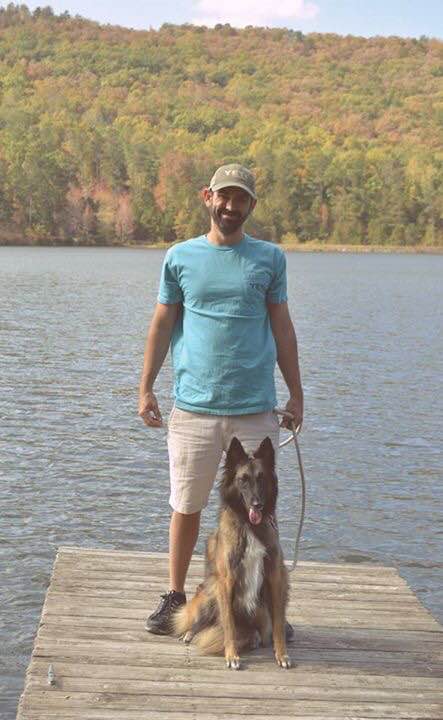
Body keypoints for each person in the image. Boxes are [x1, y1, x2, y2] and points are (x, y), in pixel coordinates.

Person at [139, 163, 303, 636]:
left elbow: (282, 327)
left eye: (241, 199)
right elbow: (162, 324)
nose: (232, 206)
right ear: (207, 197)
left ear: (251, 205)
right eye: (224, 196)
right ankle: (175, 596)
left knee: (259, 509)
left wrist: (296, 393)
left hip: (255, 409)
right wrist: (146, 387)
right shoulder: (180, 257)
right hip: (194, 407)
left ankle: (267, 605)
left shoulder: (269, 259)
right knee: (186, 503)